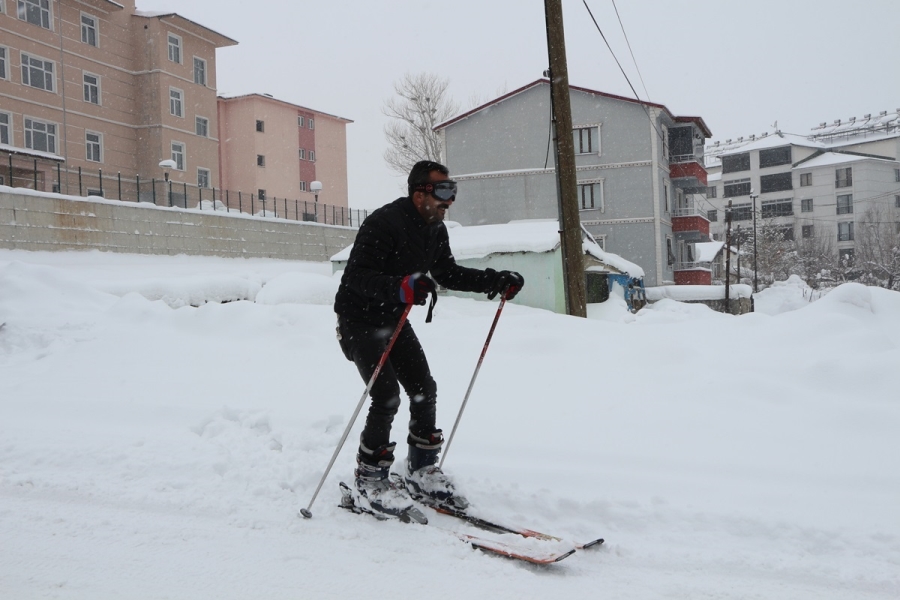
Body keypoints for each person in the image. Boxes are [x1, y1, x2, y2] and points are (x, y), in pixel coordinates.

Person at [333, 160, 524, 517]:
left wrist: (494, 280)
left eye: (453, 191)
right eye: (443, 191)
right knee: (386, 395)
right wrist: (400, 286)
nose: (449, 200)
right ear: (419, 191)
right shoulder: (383, 222)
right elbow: (356, 277)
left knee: (424, 388)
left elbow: (447, 273)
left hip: (394, 318)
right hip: (358, 319)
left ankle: (421, 471)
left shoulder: (435, 229)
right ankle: (370, 478)